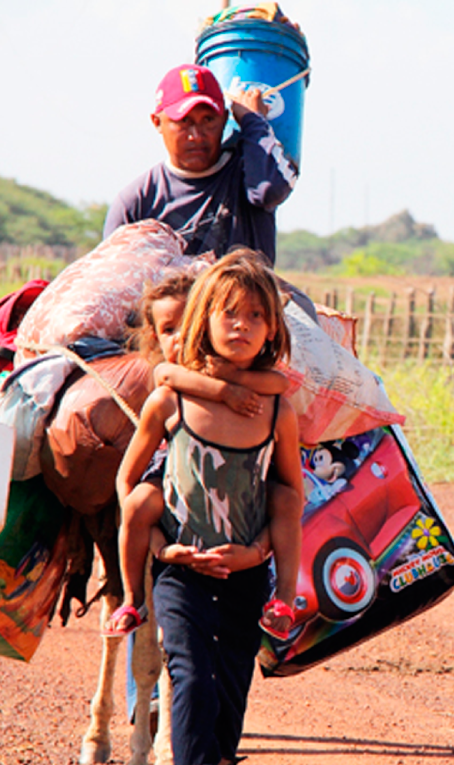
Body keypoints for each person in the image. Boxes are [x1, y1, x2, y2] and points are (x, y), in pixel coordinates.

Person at [114, 250, 303, 765]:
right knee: (192, 679)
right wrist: (161, 548)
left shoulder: (277, 411)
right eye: (229, 313)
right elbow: (129, 481)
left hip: (246, 579)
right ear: (205, 319)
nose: (242, 326)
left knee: (229, 690)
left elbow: (289, 492)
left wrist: (259, 551)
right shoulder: (170, 400)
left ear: (271, 331)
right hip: (182, 577)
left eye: (256, 316)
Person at [103, 269, 300, 641]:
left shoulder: (244, 378)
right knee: (138, 503)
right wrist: (224, 390)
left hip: (240, 482)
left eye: (254, 315)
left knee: (288, 499)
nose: (179, 339)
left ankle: (285, 600)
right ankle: (131, 600)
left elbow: (280, 384)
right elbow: (165, 375)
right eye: (167, 330)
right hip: (173, 472)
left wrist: (230, 378)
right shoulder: (171, 381)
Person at [104, 63, 298, 265]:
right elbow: (110, 280)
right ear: (157, 123)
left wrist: (253, 120)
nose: (196, 135)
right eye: (184, 121)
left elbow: (270, 190)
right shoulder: (137, 203)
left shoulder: (249, 173)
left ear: (224, 119)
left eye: (208, 120)